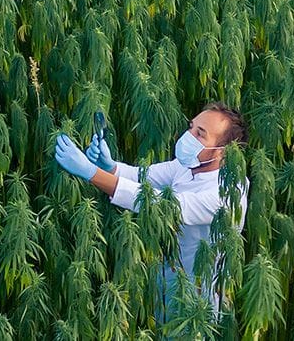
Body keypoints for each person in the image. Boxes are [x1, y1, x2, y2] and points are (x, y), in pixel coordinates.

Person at [53, 102, 250, 323]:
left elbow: (163, 206)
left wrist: (91, 173)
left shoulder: (226, 194)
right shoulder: (189, 166)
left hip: (199, 298)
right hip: (165, 279)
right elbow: (142, 178)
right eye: (192, 127)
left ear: (222, 153)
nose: (189, 136)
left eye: (200, 134)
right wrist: (110, 167)